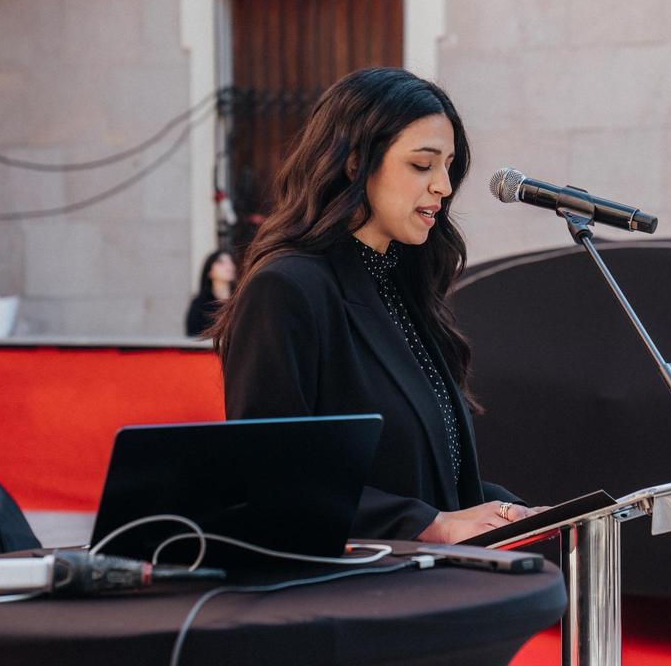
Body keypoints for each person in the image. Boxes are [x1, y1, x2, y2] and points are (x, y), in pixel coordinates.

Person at [211, 67, 543, 543]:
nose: (444, 187)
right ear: (354, 164)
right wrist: (428, 525)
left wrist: (515, 514)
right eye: (422, 165)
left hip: (429, 591)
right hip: (351, 598)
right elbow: (271, 478)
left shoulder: (404, 287)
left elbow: (426, 481)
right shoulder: (286, 288)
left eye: (449, 165)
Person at [185, 250, 236, 337]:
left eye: (231, 261)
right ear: (210, 272)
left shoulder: (241, 300)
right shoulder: (200, 304)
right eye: (220, 262)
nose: (229, 266)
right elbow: (193, 335)